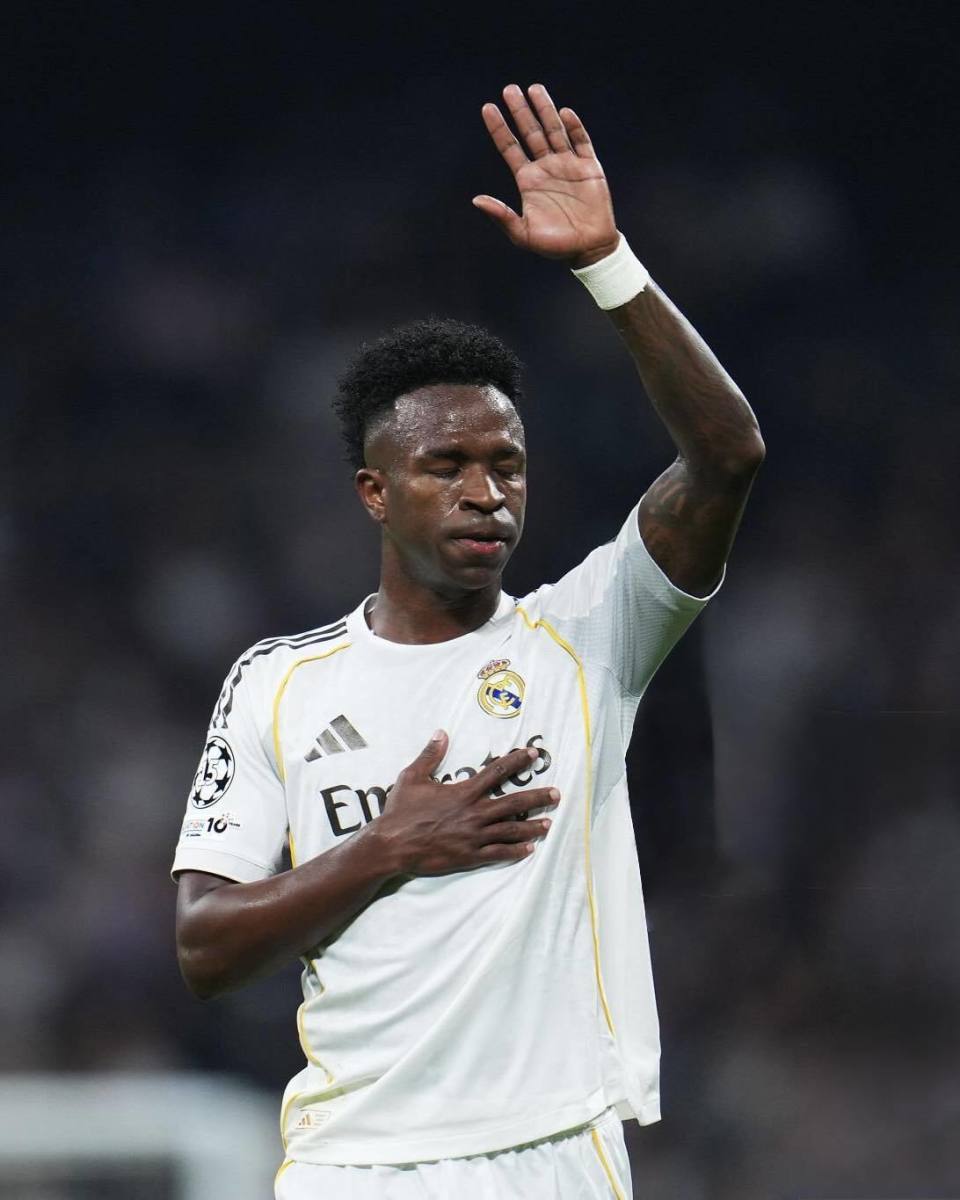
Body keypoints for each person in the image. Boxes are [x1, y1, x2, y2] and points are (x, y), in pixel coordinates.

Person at [172, 82, 764, 1199]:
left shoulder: (589, 635)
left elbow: (727, 456)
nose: (486, 493)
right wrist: (386, 847)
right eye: (446, 467)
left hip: (554, 1153)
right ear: (374, 492)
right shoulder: (276, 684)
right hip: (355, 1165)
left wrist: (608, 265)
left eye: (507, 466)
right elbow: (205, 945)